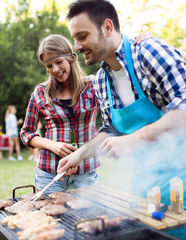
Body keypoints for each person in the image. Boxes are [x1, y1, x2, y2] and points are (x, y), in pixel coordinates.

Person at [57, 1, 186, 239]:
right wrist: (78, 155)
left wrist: (133, 140)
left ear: (108, 27)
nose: (77, 47)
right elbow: (111, 130)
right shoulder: (102, 79)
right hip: (146, 181)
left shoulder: (150, 52)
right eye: (74, 38)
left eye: (82, 36)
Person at [20, 33, 155, 193]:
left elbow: (122, 71)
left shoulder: (94, 85)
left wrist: (142, 43)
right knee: (48, 217)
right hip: (50, 173)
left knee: (85, 216)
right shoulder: (41, 92)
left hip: (85, 172)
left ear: (71, 57)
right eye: (49, 66)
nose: (55, 69)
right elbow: (26, 132)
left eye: (58, 62)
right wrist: (52, 145)